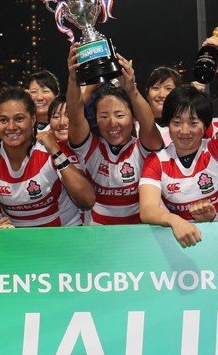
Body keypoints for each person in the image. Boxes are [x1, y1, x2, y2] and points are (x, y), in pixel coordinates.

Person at [139, 34, 218, 247]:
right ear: (168, 124)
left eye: (193, 122)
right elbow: (147, 210)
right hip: (185, 249)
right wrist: (174, 220)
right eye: (177, 122)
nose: (184, 131)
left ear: (205, 126)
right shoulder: (156, 162)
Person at [0, 89, 95, 227]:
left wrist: (56, 152)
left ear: (33, 119)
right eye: (4, 120)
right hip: (18, 238)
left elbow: (87, 200)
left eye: (19, 119)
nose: (11, 127)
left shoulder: (52, 148)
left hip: (64, 233)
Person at [66, 51, 163, 225]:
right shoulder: (89, 147)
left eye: (119, 115)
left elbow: (148, 124)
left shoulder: (143, 148)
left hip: (137, 234)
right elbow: (74, 117)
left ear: (133, 118)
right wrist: (74, 78)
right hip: (97, 234)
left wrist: (132, 90)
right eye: (103, 116)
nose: (112, 123)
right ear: (95, 119)